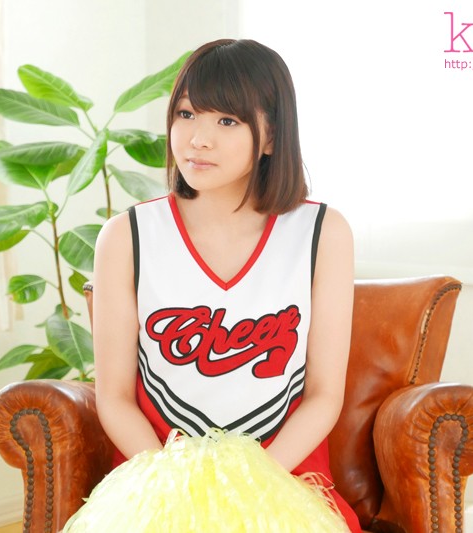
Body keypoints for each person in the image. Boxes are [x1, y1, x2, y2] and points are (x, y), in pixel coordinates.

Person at [91, 38, 360, 532]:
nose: (198, 139)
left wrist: (250, 490)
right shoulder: (127, 236)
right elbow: (114, 396)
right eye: (187, 114)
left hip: (283, 484)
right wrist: (173, 487)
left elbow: (324, 395)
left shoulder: (322, 233)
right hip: (155, 489)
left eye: (228, 121)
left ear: (272, 136)